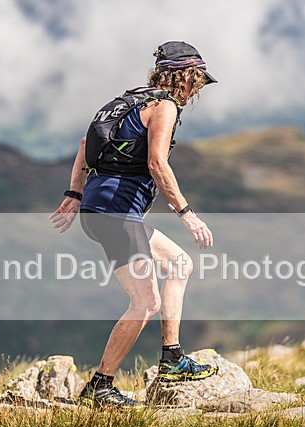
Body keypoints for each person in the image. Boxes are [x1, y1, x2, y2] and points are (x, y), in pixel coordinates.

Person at [49, 41, 219, 408]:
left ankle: (171, 358)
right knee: (145, 302)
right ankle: (100, 385)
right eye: (198, 81)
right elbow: (157, 163)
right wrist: (187, 214)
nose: (197, 91)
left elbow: (85, 143)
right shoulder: (165, 106)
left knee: (179, 264)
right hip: (117, 213)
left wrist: (75, 194)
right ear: (186, 75)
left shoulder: (128, 100)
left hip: (102, 209)